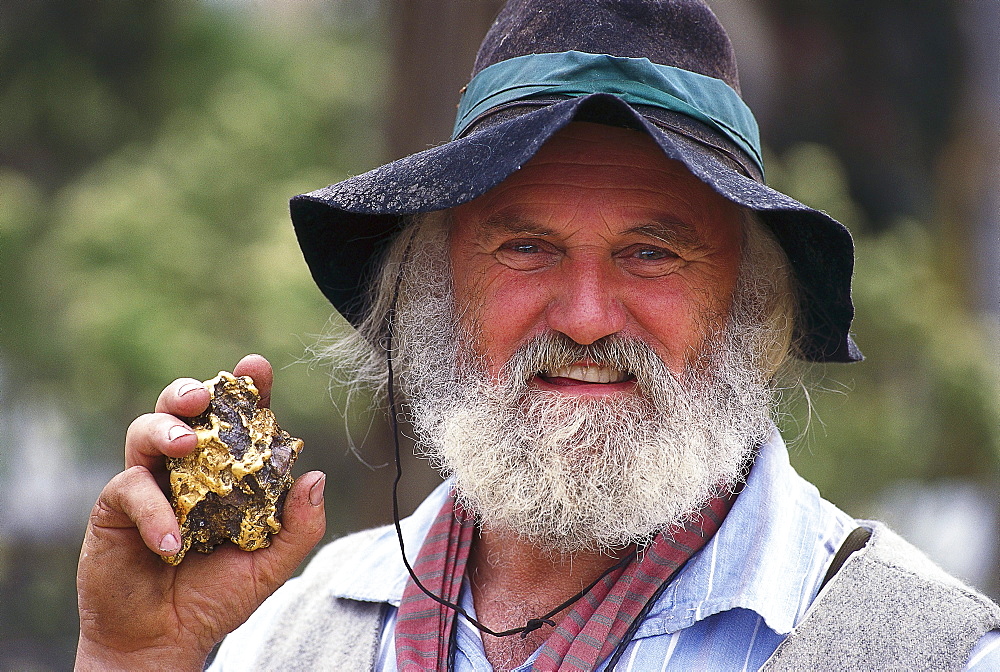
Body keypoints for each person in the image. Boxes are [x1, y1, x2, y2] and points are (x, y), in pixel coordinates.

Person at [76, 1, 1000, 670]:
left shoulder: (930, 651)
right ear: (435, 288)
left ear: (750, 303)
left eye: (652, 253)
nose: (587, 317)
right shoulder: (288, 631)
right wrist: (134, 659)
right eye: (525, 248)